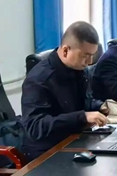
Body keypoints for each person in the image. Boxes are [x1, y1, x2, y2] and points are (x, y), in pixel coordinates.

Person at [20, 22, 108, 161]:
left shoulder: (78, 70)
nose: (90, 61)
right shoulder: (39, 79)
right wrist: (82, 117)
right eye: (85, 55)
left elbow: (84, 102)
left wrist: (101, 106)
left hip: (73, 141)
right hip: (46, 153)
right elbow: (35, 127)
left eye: (93, 55)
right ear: (66, 51)